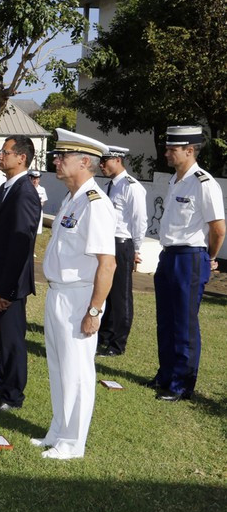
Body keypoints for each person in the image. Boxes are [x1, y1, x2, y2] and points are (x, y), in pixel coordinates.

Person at [34, 129, 116, 460]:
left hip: (80, 296)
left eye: (62, 156)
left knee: (78, 370)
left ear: (85, 162)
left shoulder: (95, 204)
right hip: (59, 294)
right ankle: (58, 430)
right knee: (58, 365)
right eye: (57, 155)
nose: (56, 160)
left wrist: (94, 311)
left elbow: (107, 264)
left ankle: (73, 443)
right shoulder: (73, 198)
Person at [151, 125, 225, 401]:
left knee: (184, 322)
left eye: (173, 149)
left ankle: (181, 384)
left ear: (190, 150)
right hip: (168, 255)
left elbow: (218, 228)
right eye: (168, 148)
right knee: (166, 320)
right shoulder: (175, 180)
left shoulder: (204, 183)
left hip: (190, 256)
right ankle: (166, 374)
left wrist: (211, 257)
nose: (167, 153)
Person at [0, 135, 41, 411]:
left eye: (5, 151)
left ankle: (13, 395)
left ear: (21, 157)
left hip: (9, 283)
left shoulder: (25, 192)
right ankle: (3, 383)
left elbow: (20, 244)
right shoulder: (7, 187)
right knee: (0, 337)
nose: (0, 156)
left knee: (12, 340)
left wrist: (8, 289)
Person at [97, 146, 148, 357]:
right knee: (106, 291)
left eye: (105, 161)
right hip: (108, 242)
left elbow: (139, 220)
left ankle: (118, 343)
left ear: (117, 159)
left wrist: (136, 248)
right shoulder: (110, 185)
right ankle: (106, 335)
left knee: (120, 295)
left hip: (122, 243)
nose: (101, 165)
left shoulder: (131, 186)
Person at [28, 170, 47, 234]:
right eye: (34, 179)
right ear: (31, 179)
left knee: (35, 231)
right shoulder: (27, 189)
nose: (35, 181)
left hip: (37, 213)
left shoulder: (42, 189)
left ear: (39, 180)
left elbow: (43, 201)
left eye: (37, 179)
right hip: (28, 212)